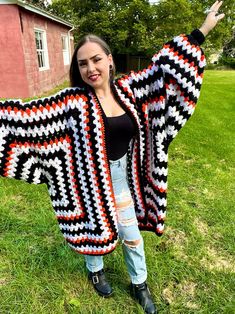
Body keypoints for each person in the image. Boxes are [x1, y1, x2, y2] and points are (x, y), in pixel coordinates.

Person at [0, 2, 224, 313]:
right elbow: (25, 118)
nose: (90, 68)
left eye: (95, 60)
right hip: (86, 182)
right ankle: (95, 272)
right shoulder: (72, 102)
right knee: (93, 229)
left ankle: (140, 284)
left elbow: (165, 70)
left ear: (109, 61)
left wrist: (202, 31)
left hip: (123, 178)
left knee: (131, 236)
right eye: (82, 64)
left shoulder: (130, 90)